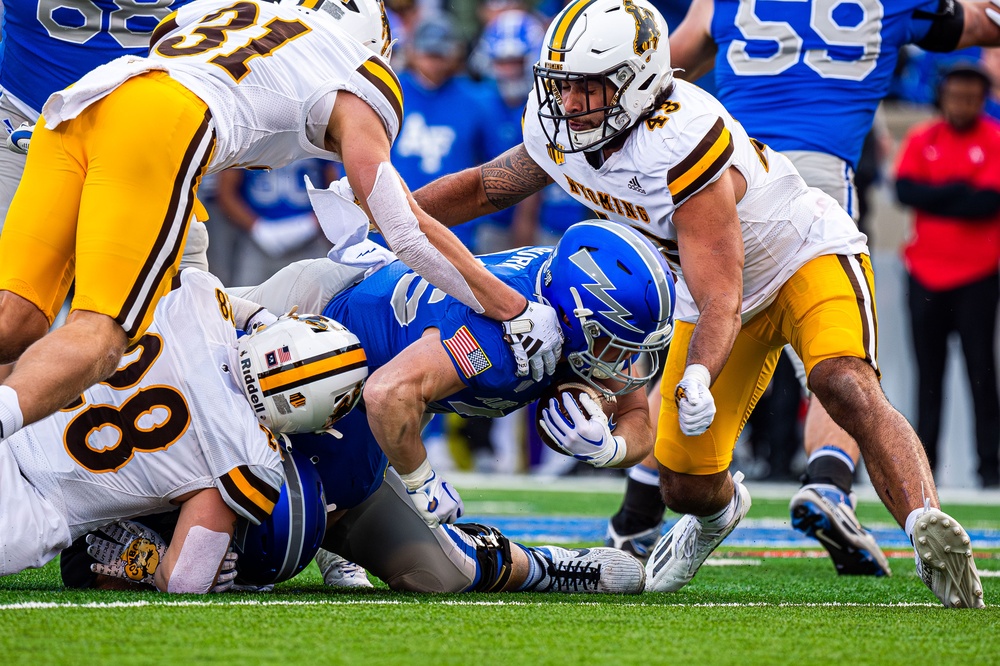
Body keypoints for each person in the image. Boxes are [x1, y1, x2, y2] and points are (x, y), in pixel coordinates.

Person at [410, 0, 987, 608]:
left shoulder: (681, 138)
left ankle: (929, 528)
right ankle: (720, 512)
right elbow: (482, 188)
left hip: (800, 256)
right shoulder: (565, 130)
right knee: (683, 484)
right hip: (712, 289)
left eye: (588, 87)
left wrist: (698, 378)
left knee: (842, 381)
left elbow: (721, 296)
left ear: (637, 82)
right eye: (563, 85)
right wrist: (385, 217)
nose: (570, 103)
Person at [0, 0, 563, 451]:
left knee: (17, 320)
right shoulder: (356, 71)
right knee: (100, 337)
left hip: (73, 106)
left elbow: (177, 48)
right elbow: (403, 227)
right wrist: (510, 307)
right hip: (155, 124)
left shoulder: (237, 10)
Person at [596, 0, 1000, 578]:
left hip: (722, 173)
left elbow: (655, 63)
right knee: (838, 368)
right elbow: (983, 26)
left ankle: (637, 512)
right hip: (814, 186)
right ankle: (830, 483)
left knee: (700, 334)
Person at [79, 219, 676, 594]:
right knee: (273, 523)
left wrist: (612, 449)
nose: (621, 364)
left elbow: (637, 416)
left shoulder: (571, 323)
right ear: (572, 315)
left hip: (358, 393)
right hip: (305, 340)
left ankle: (546, 567)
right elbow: (389, 394)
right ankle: (120, 524)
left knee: (438, 575)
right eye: (611, 344)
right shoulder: (506, 342)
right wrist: (422, 482)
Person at [0, 266, 367, 592]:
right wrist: (151, 561)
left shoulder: (198, 303)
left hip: (12, 420)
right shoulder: (251, 462)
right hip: (26, 518)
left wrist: (259, 315)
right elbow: (184, 580)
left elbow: (205, 291)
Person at [895, 62, 1000, 488]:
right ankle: (925, 470)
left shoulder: (994, 138)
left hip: (978, 275)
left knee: (981, 372)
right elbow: (905, 191)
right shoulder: (923, 137)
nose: (963, 104)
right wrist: (960, 190)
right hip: (924, 274)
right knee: (928, 376)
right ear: (943, 97)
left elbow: (988, 202)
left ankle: (990, 468)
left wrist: (938, 195)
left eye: (971, 97)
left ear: (982, 100)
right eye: (956, 96)